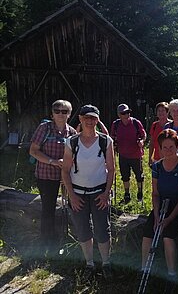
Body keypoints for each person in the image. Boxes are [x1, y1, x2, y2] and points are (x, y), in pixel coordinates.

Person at [62, 104, 115, 281]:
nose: (90, 121)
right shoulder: (72, 142)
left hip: (99, 192)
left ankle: (106, 263)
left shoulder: (106, 141)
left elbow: (112, 169)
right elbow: (65, 170)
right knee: (83, 230)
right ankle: (90, 264)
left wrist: (106, 193)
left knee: (102, 229)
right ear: (80, 119)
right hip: (78, 193)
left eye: (93, 118)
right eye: (86, 118)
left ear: (97, 120)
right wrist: (72, 195)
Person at [141, 129, 178, 291]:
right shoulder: (157, 166)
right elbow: (155, 193)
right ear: (160, 149)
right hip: (161, 205)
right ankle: (144, 269)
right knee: (147, 234)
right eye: (165, 147)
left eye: (172, 147)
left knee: (168, 237)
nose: (169, 151)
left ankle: (171, 274)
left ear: (177, 146)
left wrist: (169, 219)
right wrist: (156, 215)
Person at [29, 99, 76, 249]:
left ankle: (66, 235)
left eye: (64, 111)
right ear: (52, 113)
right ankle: (46, 239)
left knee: (68, 206)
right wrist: (53, 161)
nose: (60, 114)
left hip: (65, 177)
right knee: (48, 207)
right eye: (57, 111)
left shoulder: (72, 133)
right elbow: (33, 151)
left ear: (69, 114)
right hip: (46, 174)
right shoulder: (44, 128)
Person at [111, 103, 146, 204]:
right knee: (125, 176)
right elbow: (112, 136)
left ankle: (140, 193)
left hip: (136, 154)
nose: (127, 114)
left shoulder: (136, 122)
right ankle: (127, 194)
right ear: (119, 115)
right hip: (123, 155)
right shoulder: (116, 124)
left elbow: (143, 135)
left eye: (128, 112)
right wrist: (114, 143)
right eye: (124, 113)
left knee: (139, 175)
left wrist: (142, 142)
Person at [148, 102, 171, 167]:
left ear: (167, 112)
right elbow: (152, 143)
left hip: (170, 158)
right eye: (159, 111)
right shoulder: (154, 125)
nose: (161, 113)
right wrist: (150, 158)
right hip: (157, 159)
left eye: (163, 110)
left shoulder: (172, 124)